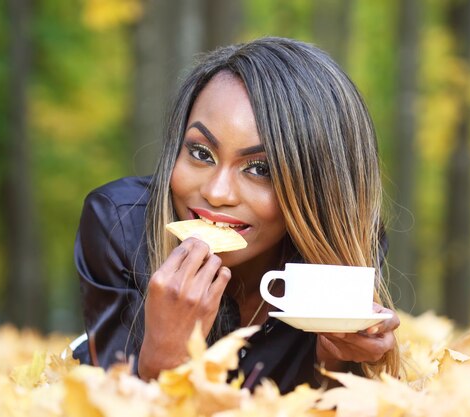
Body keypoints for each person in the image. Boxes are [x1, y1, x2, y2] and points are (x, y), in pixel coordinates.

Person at [73, 36, 401, 393]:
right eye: (200, 152)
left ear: (318, 191)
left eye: (260, 169)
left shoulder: (341, 247)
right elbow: (104, 401)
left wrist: (337, 361)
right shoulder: (118, 226)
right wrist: (163, 359)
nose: (216, 192)